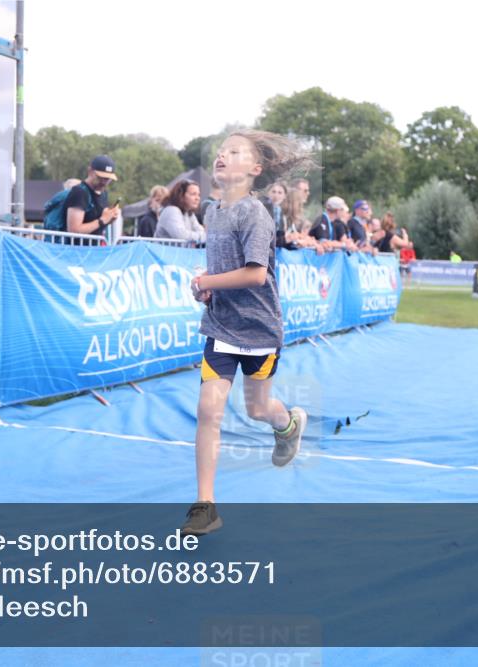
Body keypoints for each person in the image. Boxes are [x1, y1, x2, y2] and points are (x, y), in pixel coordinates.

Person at [182, 130, 315, 535]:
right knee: (209, 411)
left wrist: (209, 282)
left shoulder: (255, 213)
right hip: (221, 328)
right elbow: (222, 269)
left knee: (258, 409)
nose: (222, 157)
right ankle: (205, 506)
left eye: (234, 152)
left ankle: (287, 424)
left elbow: (256, 275)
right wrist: (206, 291)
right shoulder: (212, 212)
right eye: (220, 152)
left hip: (259, 331)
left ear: (254, 169)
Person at [61, 155, 121, 241]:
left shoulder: (103, 193)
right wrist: (102, 220)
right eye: (100, 177)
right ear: (90, 171)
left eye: (108, 179)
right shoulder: (80, 192)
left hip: (93, 250)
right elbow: (73, 230)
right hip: (76, 251)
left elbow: (97, 226)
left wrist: (110, 219)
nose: (104, 182)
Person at [156, 180, 206, 244]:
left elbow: (201, 231)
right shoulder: (171, 210)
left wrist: (203, 236)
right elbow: (181, 235)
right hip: (163, 253)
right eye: (193, 194)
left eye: (198, 195)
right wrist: (203, 237)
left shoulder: (189, 213)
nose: (197, 198)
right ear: (181, 195)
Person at [262, 181, 290, 249]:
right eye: (273, 192)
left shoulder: (280, 212)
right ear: (268, 193)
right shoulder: (262, 208)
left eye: (280, 193)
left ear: (284, 196)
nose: (276, 195)